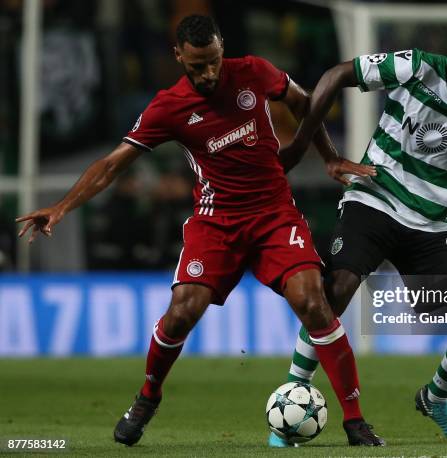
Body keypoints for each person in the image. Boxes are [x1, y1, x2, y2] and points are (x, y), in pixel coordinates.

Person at [16, 15, 385, 447]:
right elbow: (113, 163)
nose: (208, 73)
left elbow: (306, 102)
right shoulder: (169, 106)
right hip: (217, 224)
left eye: (212, 62)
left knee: (313, 301)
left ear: (221, 47)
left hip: (273, 215)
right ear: (178, 57)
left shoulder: (254, 71)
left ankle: (356, 420)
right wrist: (62, 207)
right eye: (197, 67)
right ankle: (147, 397)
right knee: (183, 310)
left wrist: (329, 156)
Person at [272, 35, 447, 446]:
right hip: (373, 198)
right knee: (336, 289)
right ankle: (294, 394)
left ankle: (436, 398)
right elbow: (336, 74)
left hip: (430, 224)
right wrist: (307, 146)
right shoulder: (416, 67)